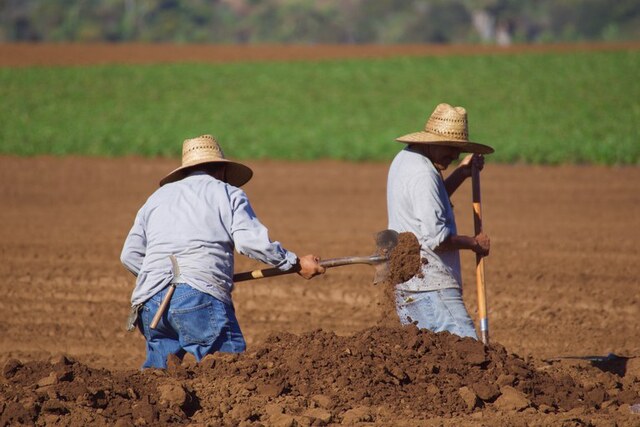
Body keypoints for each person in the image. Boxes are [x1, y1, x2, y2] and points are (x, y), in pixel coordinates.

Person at [121, 134, 325, 369]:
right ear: (222, 170)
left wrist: (161, 278)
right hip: (197, 297)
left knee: (157, 381)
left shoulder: (156, 198)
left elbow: (129, 255)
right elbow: (251, 243)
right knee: (230, 375)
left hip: (149, 301)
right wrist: (294, 263)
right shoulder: (227, 193)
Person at [386, 103, 494, 339]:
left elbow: (429, 203)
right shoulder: (423, 174)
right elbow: (438, 239)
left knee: (429, 361)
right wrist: (474, 243)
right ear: (433, 142)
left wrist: (461, 174)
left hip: (409, 286)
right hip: (432, 287)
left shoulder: (406, 159)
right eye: (451, 148)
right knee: (469, 352)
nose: (455, 156)